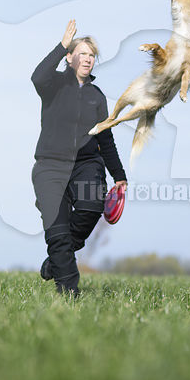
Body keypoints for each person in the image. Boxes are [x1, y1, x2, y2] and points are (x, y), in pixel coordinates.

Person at [31, 19, 127, 297]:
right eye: (82, 53)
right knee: (58, 234)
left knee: (91, 205)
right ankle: (70, 296)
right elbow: (38, 76)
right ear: (70, 58)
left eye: (92, 55)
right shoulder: (53, 86)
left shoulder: (97, 97)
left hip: (86, 165)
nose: (88, 59)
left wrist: (119, 175)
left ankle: (56, 260)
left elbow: (105, 139)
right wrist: (62, 45)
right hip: (50, 166)